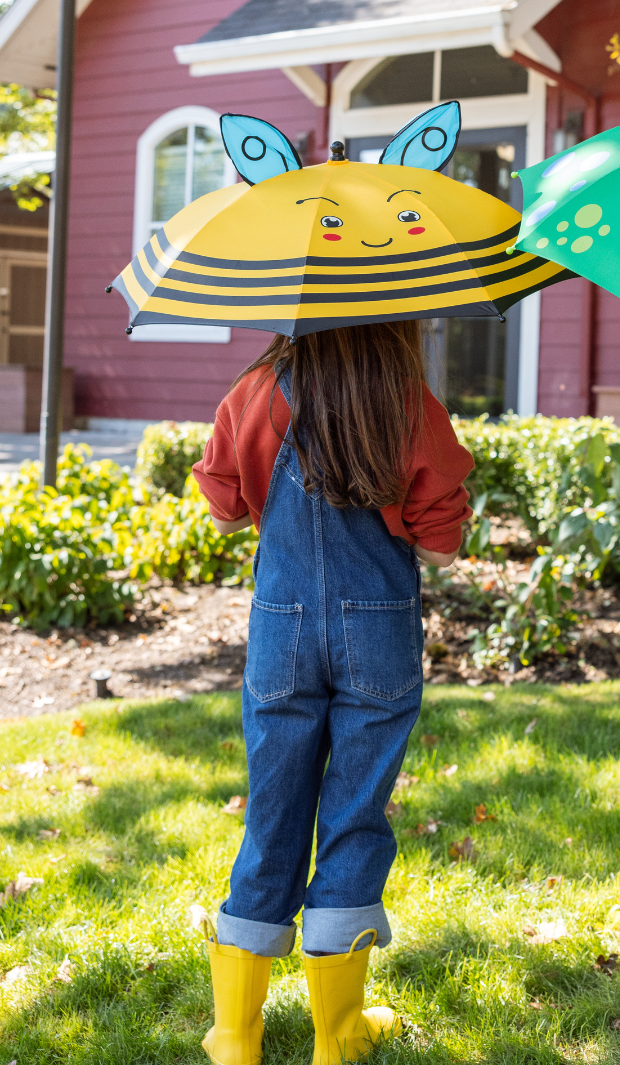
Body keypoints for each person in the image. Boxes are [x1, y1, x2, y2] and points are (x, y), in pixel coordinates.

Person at [192, 321, 473, 1065]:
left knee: (272, 811)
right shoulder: (407, 403)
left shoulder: (254, 393)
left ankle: (234, 1034)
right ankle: (338, 1034)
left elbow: (223, 507)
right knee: (354, 814)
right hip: (376, 627)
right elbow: (441, 542)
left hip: (281, 627)